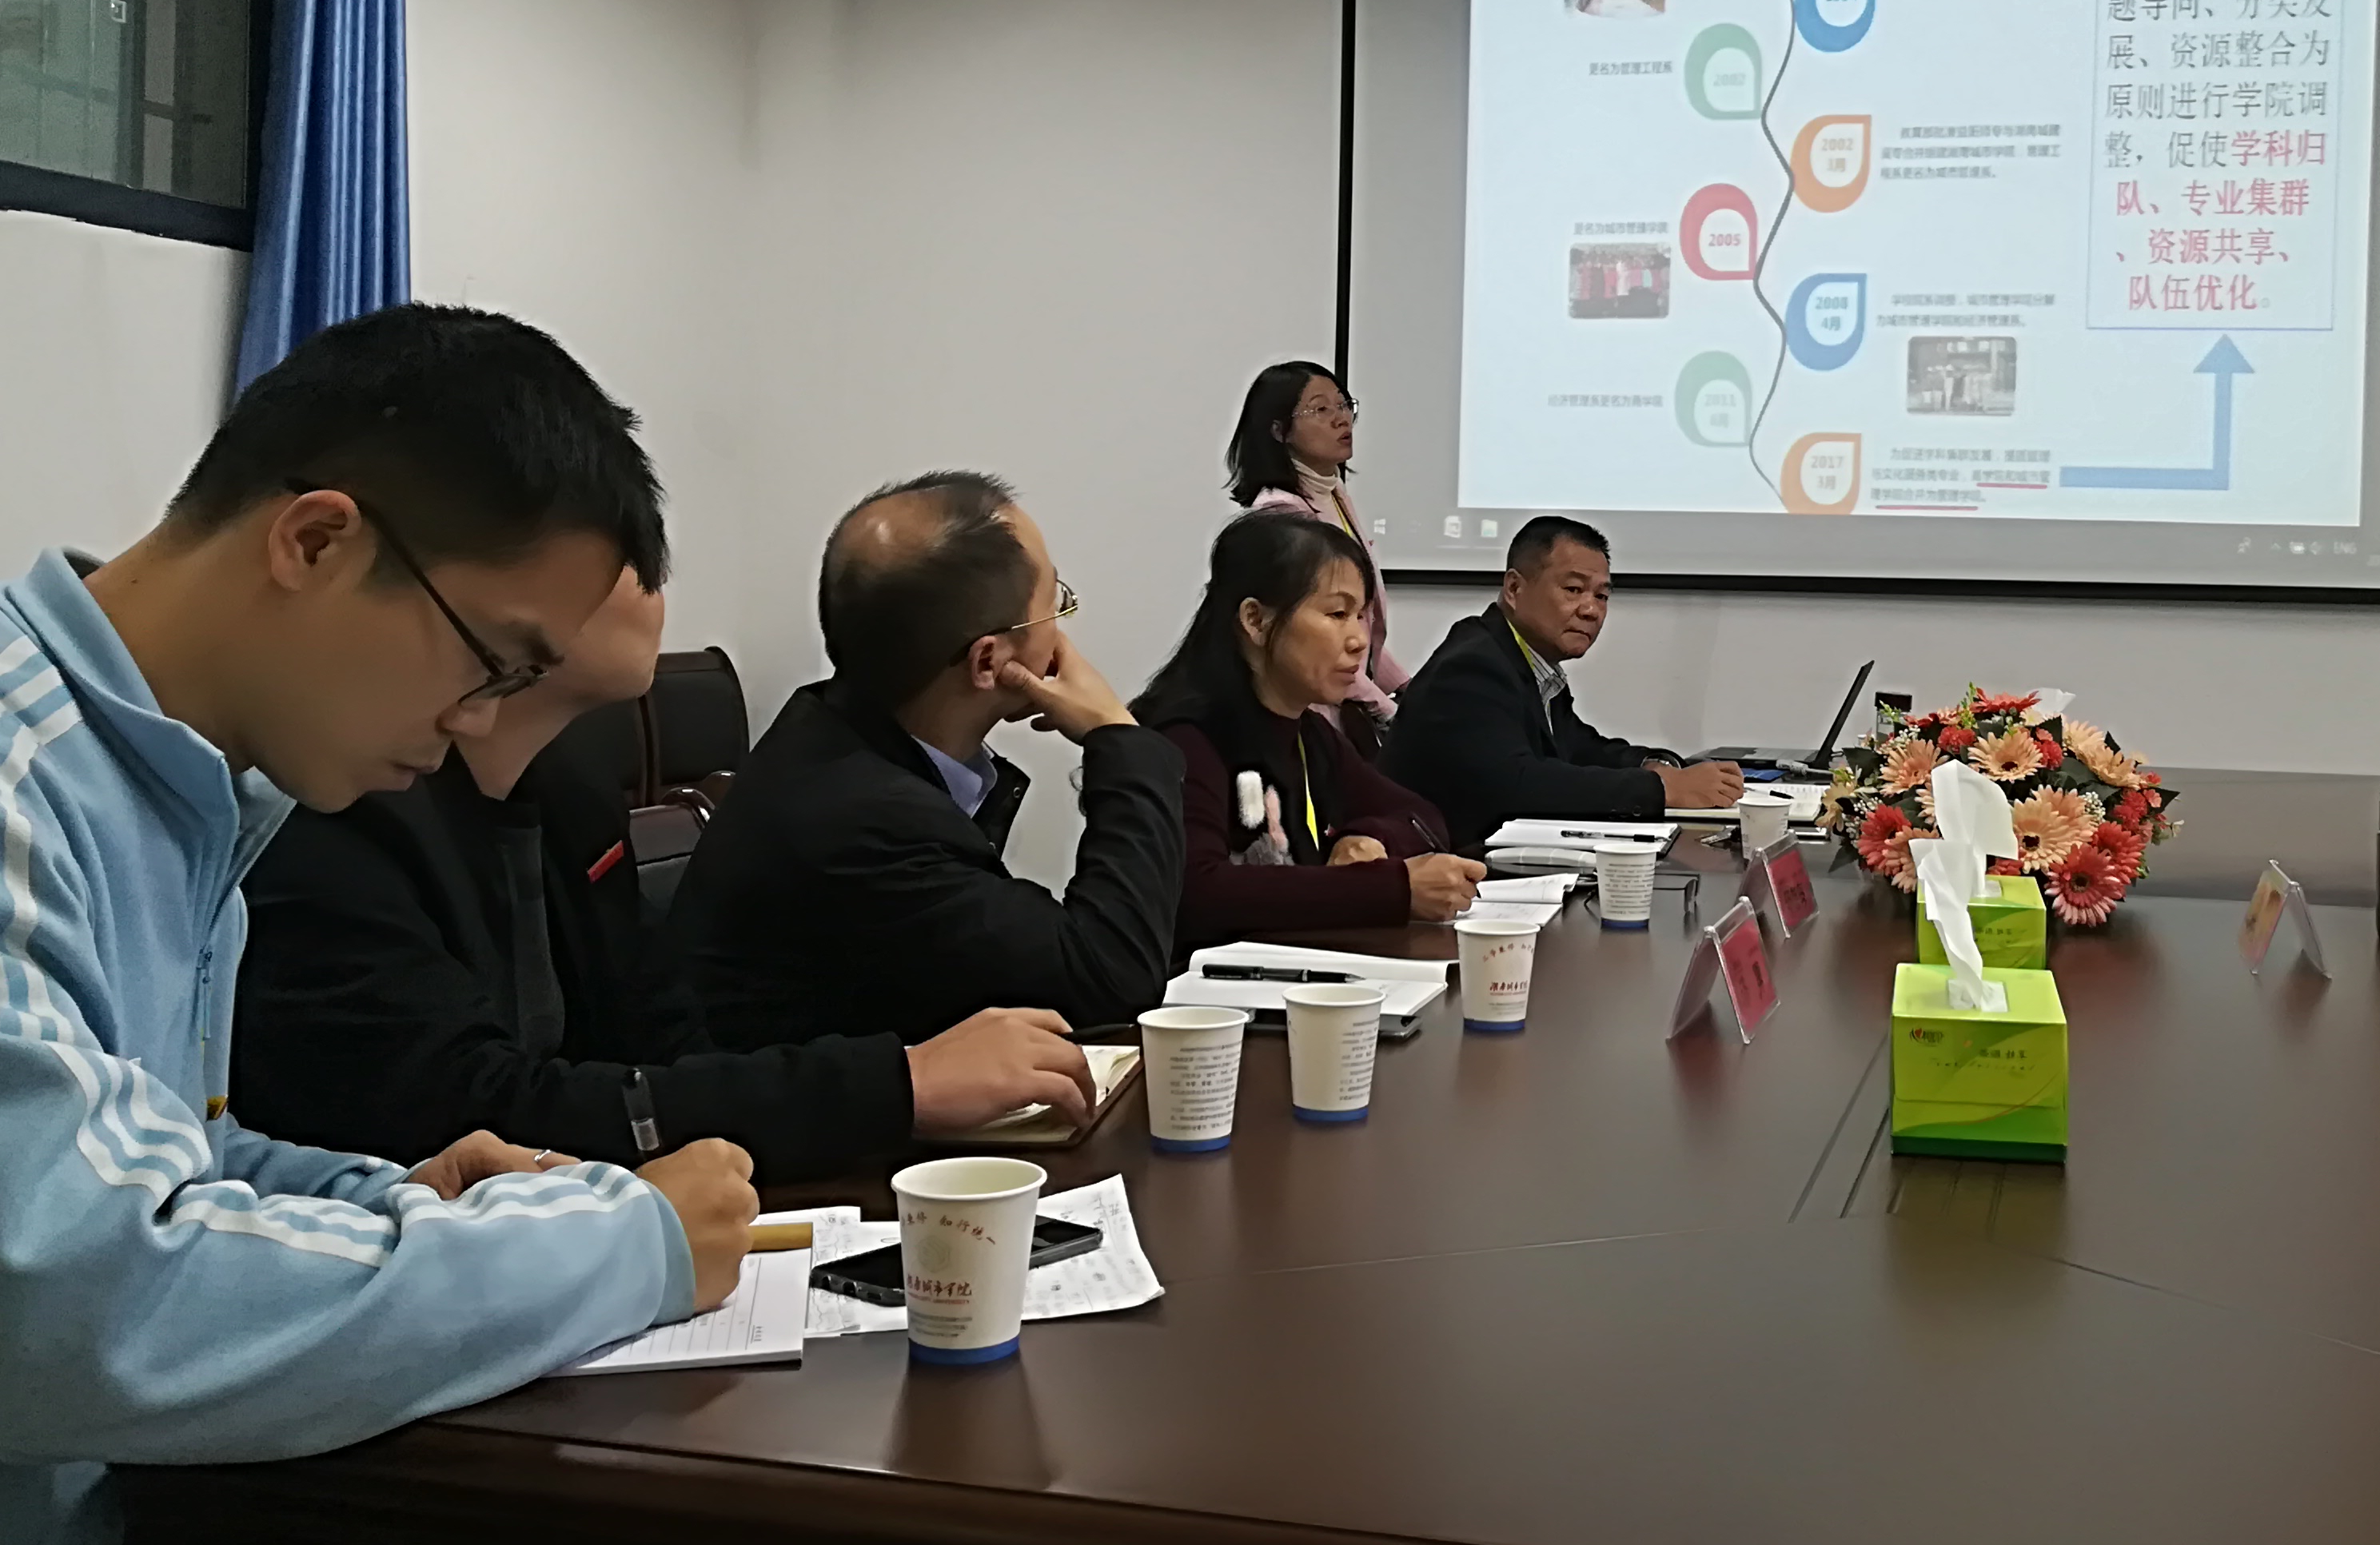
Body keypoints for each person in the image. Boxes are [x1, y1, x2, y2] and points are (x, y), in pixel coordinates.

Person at [0, 304, 758, 1545]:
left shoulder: (191, 796)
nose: (481, 723)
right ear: (316, 541)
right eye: (494, 661)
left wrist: (389, 1194)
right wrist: (625, 1240)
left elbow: (167, 1158)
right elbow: (74, 1312)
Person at [233, 563, 1095, 1182]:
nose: (655, 581)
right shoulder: (330, 805)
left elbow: (660, 1046)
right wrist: (894, 1084)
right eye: (623, 554)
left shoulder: (567, 779)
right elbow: (468, 1111)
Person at [676, 472, 1183, 1049]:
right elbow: (1110, 981)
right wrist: (1118, 737)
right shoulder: (859, 817)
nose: (1063, 628)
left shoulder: (839, 737)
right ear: (988, 661)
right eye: (1054, 604)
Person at [1138, 512, 1485, 947]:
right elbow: (1197, 891)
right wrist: (1392, 889)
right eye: (1337, 613)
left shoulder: (1309, 733)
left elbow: (1422, 819)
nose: (1359, 640)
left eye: (1361, 616)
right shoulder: (1183, 738)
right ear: (1256, 620)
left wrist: (1369, 837)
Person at [1382, 516, 1744, 854]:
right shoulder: (1473, 666)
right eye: (1573, 589)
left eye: (1601, 596)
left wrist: (1657, 764)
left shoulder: (1526, 661)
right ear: (1514, 588)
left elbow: (1579, 749)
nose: (1591, 610)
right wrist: (1662, 789)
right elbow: (1516, 785)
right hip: (1442, 874)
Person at [1228, 360, 1405, 748]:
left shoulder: (1335, 494)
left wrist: (1407, 687)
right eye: (1321, 409)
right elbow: (1315, 638)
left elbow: (1361, 627)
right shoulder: (1281, 513)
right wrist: (1387, 708)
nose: (1341, 419)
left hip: (1344, 700)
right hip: (1309, 709)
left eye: (1344, 405)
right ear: (1279, 431)